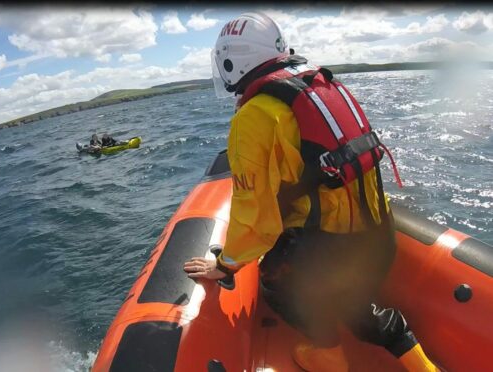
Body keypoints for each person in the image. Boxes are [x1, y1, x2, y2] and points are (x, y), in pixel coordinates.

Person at [183, 11, 438, 372]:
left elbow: (253, 214)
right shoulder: (323, 86)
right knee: (356, 306)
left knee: (273, 279)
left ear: (231, 61)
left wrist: (225, 266)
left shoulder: (254, 116)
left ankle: (329, 354)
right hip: (380, 239)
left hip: (329, 253)